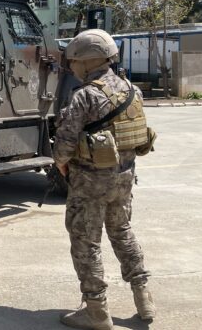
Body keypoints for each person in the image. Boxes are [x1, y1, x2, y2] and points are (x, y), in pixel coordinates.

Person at [53, 29, 157, 330]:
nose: (72, 67)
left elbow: (64, 146)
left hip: (90, 182)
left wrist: (61, 163)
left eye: (74, 62)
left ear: (87, 61)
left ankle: (96, 311)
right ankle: (144, 299)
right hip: (124, 178)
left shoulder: (85, 95)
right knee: (122, 232)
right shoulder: (132, 90)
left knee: (86, 241)